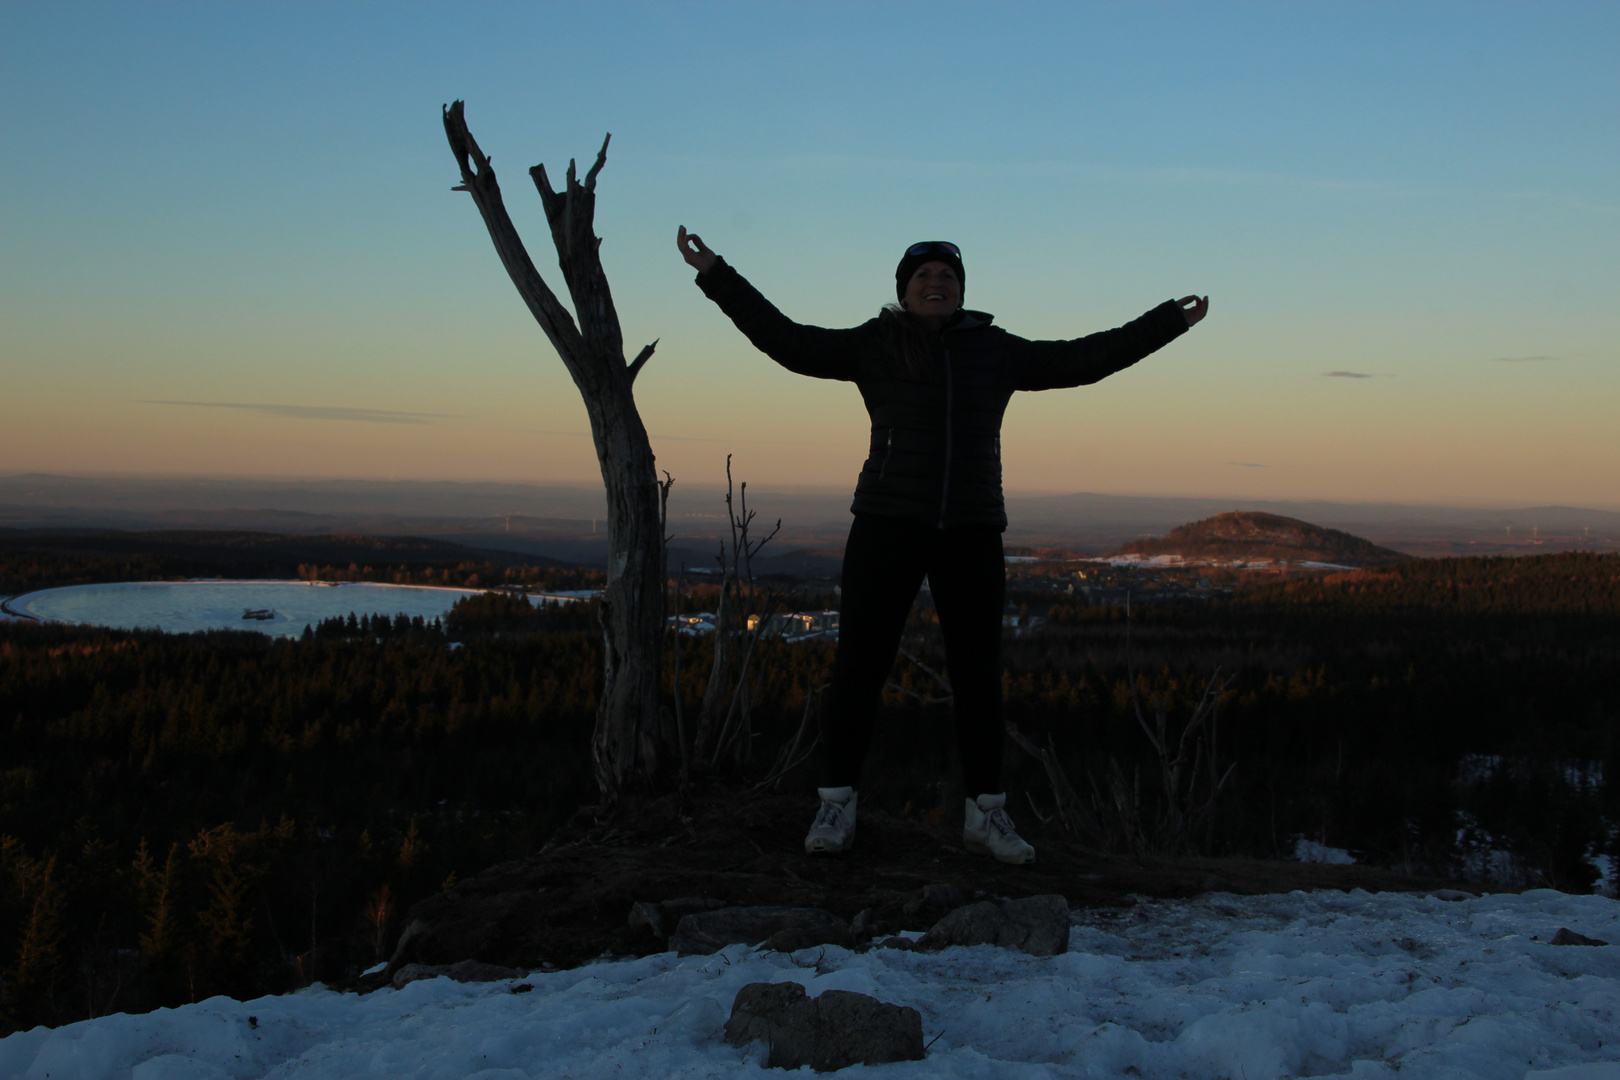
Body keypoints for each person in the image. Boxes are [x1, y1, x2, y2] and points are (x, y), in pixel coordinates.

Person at [678, 227, 1207, 864]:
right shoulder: (877, 344)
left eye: (948, 278)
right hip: (887, 522)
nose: (937, 284)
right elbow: (789, 342)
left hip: (972, 529)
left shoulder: (995, 351)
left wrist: (1165, 324)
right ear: (903, 290)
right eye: (924, 277)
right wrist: (716, 275)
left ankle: (986, 815)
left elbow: (1082, 360)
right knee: (859, 667)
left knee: (979, 676)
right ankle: (837, 805)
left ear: (961, 293)